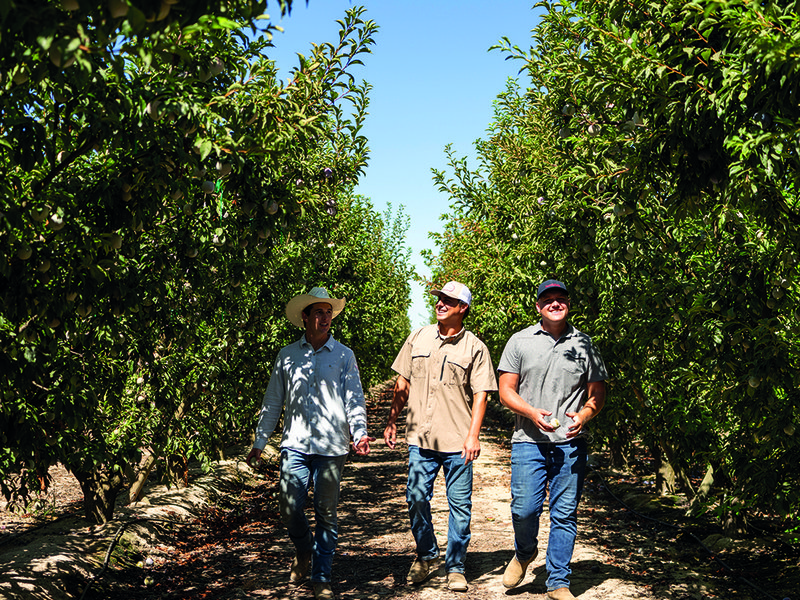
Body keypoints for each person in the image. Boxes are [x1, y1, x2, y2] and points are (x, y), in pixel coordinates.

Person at [246, 286, 373, 600]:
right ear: (305, 317)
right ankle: (304, 550)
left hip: (332, 447)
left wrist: (359, 433)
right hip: (296, 444)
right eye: (319, 312)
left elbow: (354, 399)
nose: (325, 318)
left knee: (326, 511)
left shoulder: (344, 355)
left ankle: (321, 576)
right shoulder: (287, 355)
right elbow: (273, 400)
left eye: (328, 312)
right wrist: (260, 441)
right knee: (289, 508)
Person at [383, 281, 497, 592]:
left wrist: (473, 437)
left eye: (449, 300)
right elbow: (402, 381)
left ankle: (456, 565)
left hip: (458, 441)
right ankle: (426, 554)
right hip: (421, 438)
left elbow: (481, 395)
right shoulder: (418, 337)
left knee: (460, 505)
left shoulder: (475, 347)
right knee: (416, 497)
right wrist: (392, 420)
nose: (441, 303)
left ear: (463, 308)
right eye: (439, 299)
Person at [497, 279, 607, 600]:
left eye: (561, 298)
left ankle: (558, 581)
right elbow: (505, 391)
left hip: (571, 443)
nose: (555, 303)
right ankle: (524, 552)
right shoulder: (520, 342)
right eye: (548, 299)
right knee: (525, 510)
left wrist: (585, 415)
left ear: (568, 304)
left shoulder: (585, 345)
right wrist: (532, 413)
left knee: (565, 513)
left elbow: (597, 392)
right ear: (538, 306)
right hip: (528, 440)